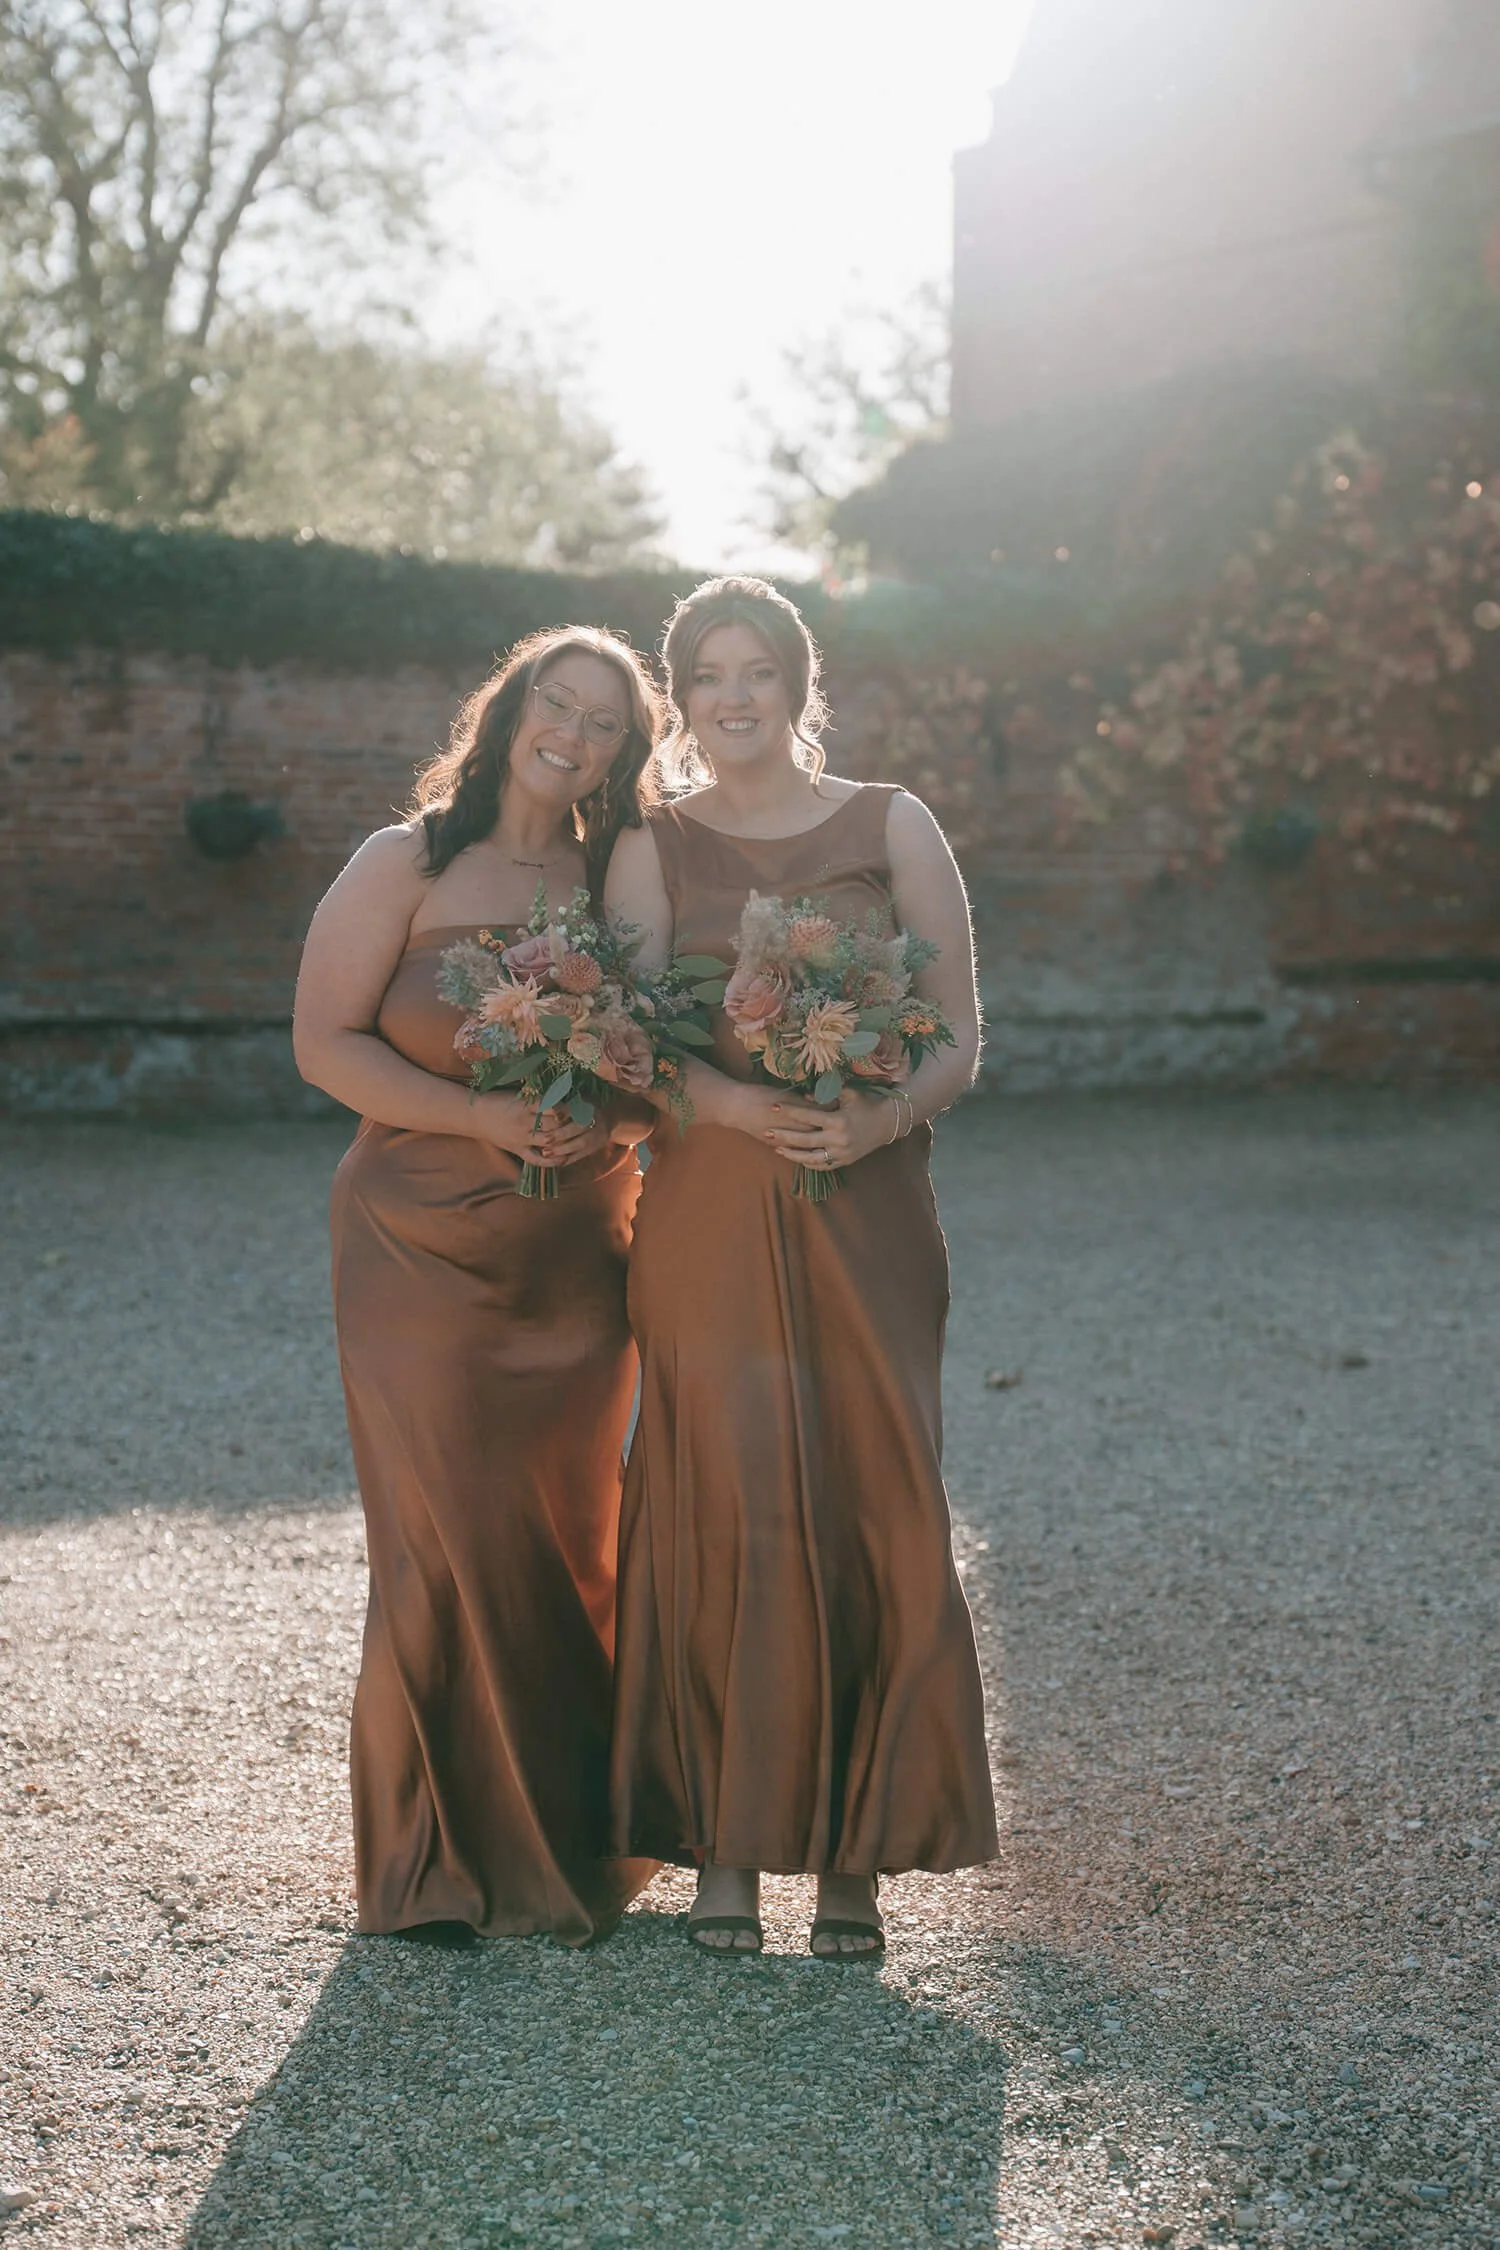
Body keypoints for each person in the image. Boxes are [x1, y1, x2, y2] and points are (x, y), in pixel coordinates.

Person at [605, 576, 997, 1958]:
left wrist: (881, 1111)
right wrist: (722, 1103)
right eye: (706, 674)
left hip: (868, 1207)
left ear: (796, 680)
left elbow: (957, 1031)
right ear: (682, 696)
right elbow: (636, 1037)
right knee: (723, 1493)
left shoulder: (892, 823)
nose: (732, 695)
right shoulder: (651, 845)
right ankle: (721, 1842)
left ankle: (853, 1861)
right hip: (710, 1205)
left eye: (755, 668)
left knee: (863, 1495)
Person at [293, 626, 661, 1947]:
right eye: (557, 703)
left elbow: (653, 1059)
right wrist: (480, 1118)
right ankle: (432, 1864)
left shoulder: (620, 877)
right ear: (511, 712)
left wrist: (605, 1125)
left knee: (565, 1529)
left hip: (571, 1252)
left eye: (605, 721)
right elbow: (322, 1041)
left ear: (623, 750)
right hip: (414, 1247)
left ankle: (565, 1837)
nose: (574, 732)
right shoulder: (404, 861)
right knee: (438, 1528)